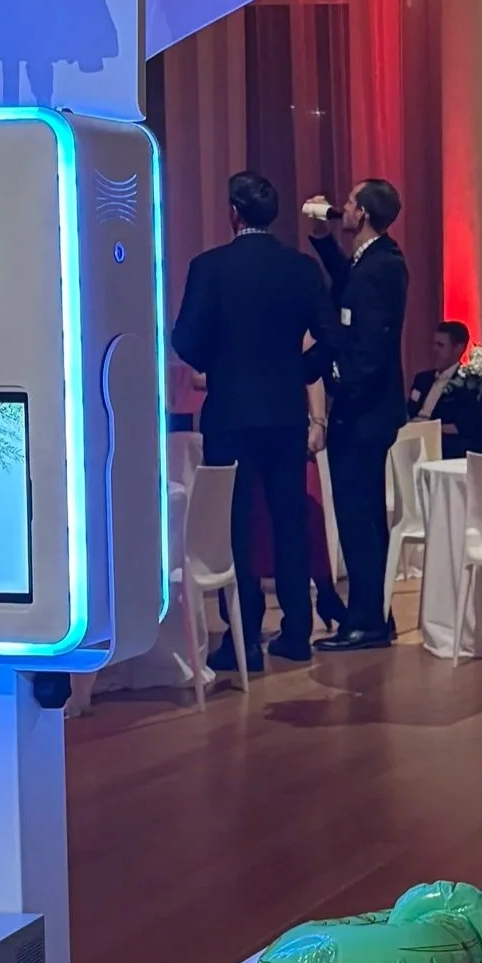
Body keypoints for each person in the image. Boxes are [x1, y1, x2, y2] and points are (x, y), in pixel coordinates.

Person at [171, 170, 332, 671]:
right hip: (285, 413)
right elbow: (330, 337)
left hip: (231, 414)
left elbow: (186, 340)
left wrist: (217, 365)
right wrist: (297, 369)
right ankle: (298, 632)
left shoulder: (210, 267)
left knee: (235, 526)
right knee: (288, 522)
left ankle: (243, 641)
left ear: (233, 212)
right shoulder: (301, 269)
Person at [304, 178, 409, 650]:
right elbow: (348, 282)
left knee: (358, 515)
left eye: (347, 202)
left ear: (362, 214)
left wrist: (335, 377)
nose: (341, 207)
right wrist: (325, 241)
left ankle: (366, 620)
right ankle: (371, 614)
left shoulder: (379, 268)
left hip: (364, 411)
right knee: (361, 514)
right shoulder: (376, 260)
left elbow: (369, 346)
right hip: (370, 408)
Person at [408, 319, 482, 458]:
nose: (434, 350)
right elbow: (409, 410)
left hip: (439, 442)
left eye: (440, 345)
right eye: (434, 344)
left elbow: (463, 425)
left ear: (458, 349)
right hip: (410, 437)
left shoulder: (468, 383)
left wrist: (430, 429)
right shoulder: (422, 379)